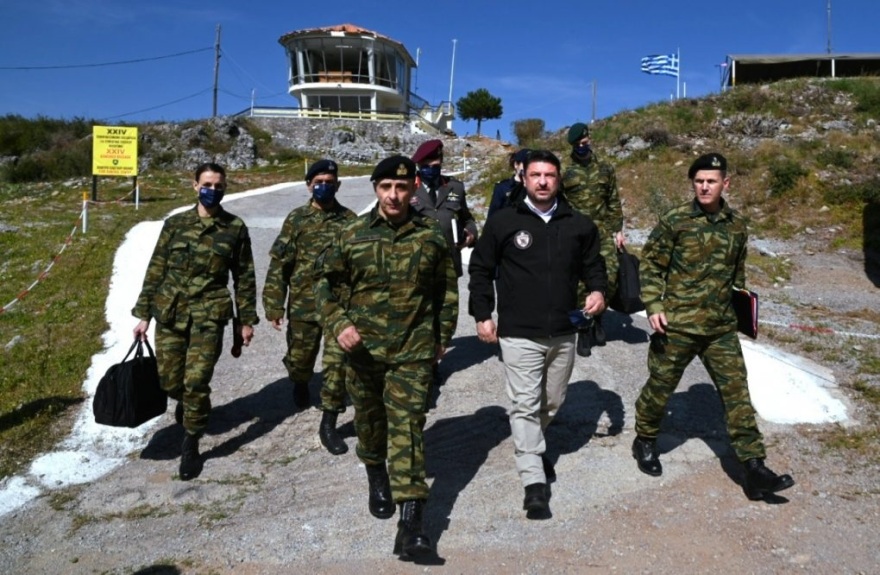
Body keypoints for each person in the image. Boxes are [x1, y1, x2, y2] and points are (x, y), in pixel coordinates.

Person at [315, 155, 458, 559]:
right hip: (363, 352)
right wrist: (339, 324)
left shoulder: (430, 235)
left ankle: (412, 524)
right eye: (386, 187)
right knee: (370, 422)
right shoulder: (351, 233)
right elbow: (324, 288)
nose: (394, 195)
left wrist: (441, 336)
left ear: (413, 188)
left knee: (408, 426)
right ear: (376, 189)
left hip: (413, 350)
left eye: (401, 187)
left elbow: (446, 290)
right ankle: (376, 471)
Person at [632, 152, 795, 501]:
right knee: (660, 387)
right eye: (699, 181)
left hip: (720, 328)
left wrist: (744, 313)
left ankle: (753, 467)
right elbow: (651, 265)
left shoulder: (737, 225)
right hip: (677, 325)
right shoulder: (675, 220)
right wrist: (654, 305)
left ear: (725, 184)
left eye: (711, 181)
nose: (704, 187)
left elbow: (738, 276)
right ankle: (644, 438)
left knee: (737, 395)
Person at [468, 149, 607, 519]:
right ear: (524, 178)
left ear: (558, 179)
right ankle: (533, 482)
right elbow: (480, 269)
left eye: (549, 175)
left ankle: (533, 442)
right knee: (524, 405)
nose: (543, 181)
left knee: (553, 401)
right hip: (518, 333)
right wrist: (483, 314)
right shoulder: (503, 221)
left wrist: (597, 291)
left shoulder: (579, 224)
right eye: (536, 175)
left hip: (563, 331)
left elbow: (594, 265)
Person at [132, 162, 258, 481]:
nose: (212, 190)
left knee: (196, 381)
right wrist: (144, 314)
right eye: (207, 184)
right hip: (171, 312)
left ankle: (191, 443)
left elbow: (244, 277)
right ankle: (188, 405)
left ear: (225, 188)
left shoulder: (234, 227)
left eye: (218, 185)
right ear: (195, 185)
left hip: (209, 316)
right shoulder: (175, 224)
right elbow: (156, 269)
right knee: (169, 380)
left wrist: (245, 321)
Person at [262, 159, 356, 455]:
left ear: (337, 185)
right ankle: (300, 381)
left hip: (337, 307)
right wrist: (274, 304)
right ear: (308, 186)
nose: (324, 187)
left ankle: (329, 423)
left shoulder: (349, 220)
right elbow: (280, 265)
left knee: (337, 364)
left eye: (329, 182)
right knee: (300, 359)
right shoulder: (296, 219)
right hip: (303, 304)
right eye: (318, 183)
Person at [562, 122, 625, 356]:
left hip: (602, 231)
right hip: (575, 233)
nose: (583, 147)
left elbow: (613, 200)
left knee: (609, 277)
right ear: (572, 146)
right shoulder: (565, 171)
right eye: (578, 144)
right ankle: (584, 329)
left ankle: (599, 317)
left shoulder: (605, 168)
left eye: (585, 143)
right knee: (580, 283)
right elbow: (559, 203)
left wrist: (618, 230)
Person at [410, 139, 478, 277]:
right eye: (425, 166)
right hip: (417, 267)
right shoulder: (407, 188)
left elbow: (467, 219)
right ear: (418, 165)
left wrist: (470, 235)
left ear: (441, 162)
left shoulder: (455, 187)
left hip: (450, 267)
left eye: (435, 166)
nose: (430, 170)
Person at [487, 148, 529, 218]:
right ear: (516, 164)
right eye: (526, 163)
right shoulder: (502, 188)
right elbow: (492, 216)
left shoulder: (536, 187)